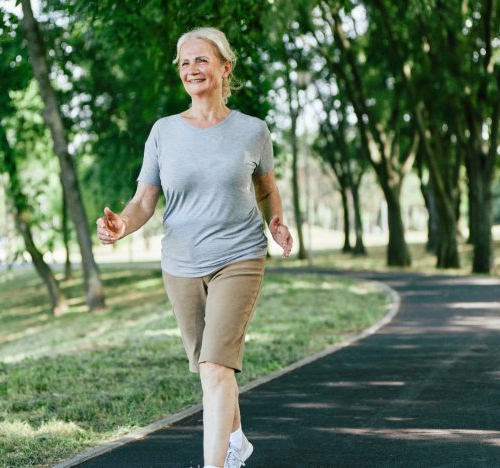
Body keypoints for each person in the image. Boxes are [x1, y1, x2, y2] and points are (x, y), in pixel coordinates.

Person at [96, 26, 292, 468]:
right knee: (209, 367)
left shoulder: (252, 130)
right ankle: (236, 440)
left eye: (201, 60)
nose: (192, 69)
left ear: (225, 67)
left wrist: (275, 220)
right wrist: (121, 225)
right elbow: (145, 200)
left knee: (216, 367)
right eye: (184, 63)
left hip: (239, 255)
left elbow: (266, 190)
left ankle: (216, 464)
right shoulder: (163, 132)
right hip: (181, 263)